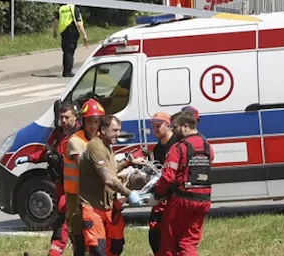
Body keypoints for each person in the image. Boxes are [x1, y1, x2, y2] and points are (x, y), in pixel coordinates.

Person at [150, 109, 212, 256]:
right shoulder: (207, 146)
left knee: (169, 242)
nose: (174, 130)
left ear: (184, 127)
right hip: (204, 200)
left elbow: (167, 177)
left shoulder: (178, 147)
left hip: (182, 200)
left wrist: (157, 194)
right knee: (188, 242)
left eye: (175, 127)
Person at [79, 114, 140, 256]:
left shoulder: (107, 147)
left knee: (116, 245)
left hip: (109, 206)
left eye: (119, 130)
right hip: (93, 207)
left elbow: (111, 169)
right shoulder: (95, 146)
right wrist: (128, 193)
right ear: (103, 130)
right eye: (114, 130)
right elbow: (107, 179)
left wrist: (128, 162)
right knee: (98, 250)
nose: (118, 134)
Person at [63, 98, 104, 256]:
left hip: (93, 194)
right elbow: (85, 169)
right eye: (89, 122)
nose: (93, 126)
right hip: (75, 194)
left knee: (94, 233)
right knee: (78, 232)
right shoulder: (75, 141)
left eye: (96, 122)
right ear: (83, 122)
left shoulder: (101, 138)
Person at [46, 102, 79, 256]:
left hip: (74, 189)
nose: (64, 121)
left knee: (63, 224)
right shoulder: (58, 134)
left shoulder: (79, 136)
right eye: (61, 118)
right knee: (71, 227)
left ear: (75, 117)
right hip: (61, 185)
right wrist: (28, 158)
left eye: (67, 117)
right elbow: (46, 151)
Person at [145, 111, 175, 255]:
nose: (155, 129)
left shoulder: (176, 144)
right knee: (155, 235)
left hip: (175, 196)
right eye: (153, 126)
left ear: (168, 125)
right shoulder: (157, 149)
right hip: (161, 195)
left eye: (158, 125)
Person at [55, 3, 89, 78]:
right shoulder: (74, 8)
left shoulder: (61, 9)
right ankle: (68, 72)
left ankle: (65, 71)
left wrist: (54, 31)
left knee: (66, 51)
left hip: (63, 31)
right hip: (72, 31)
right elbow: (79, 23)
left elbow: (56, 21)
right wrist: (84, 34)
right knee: (70, 51)